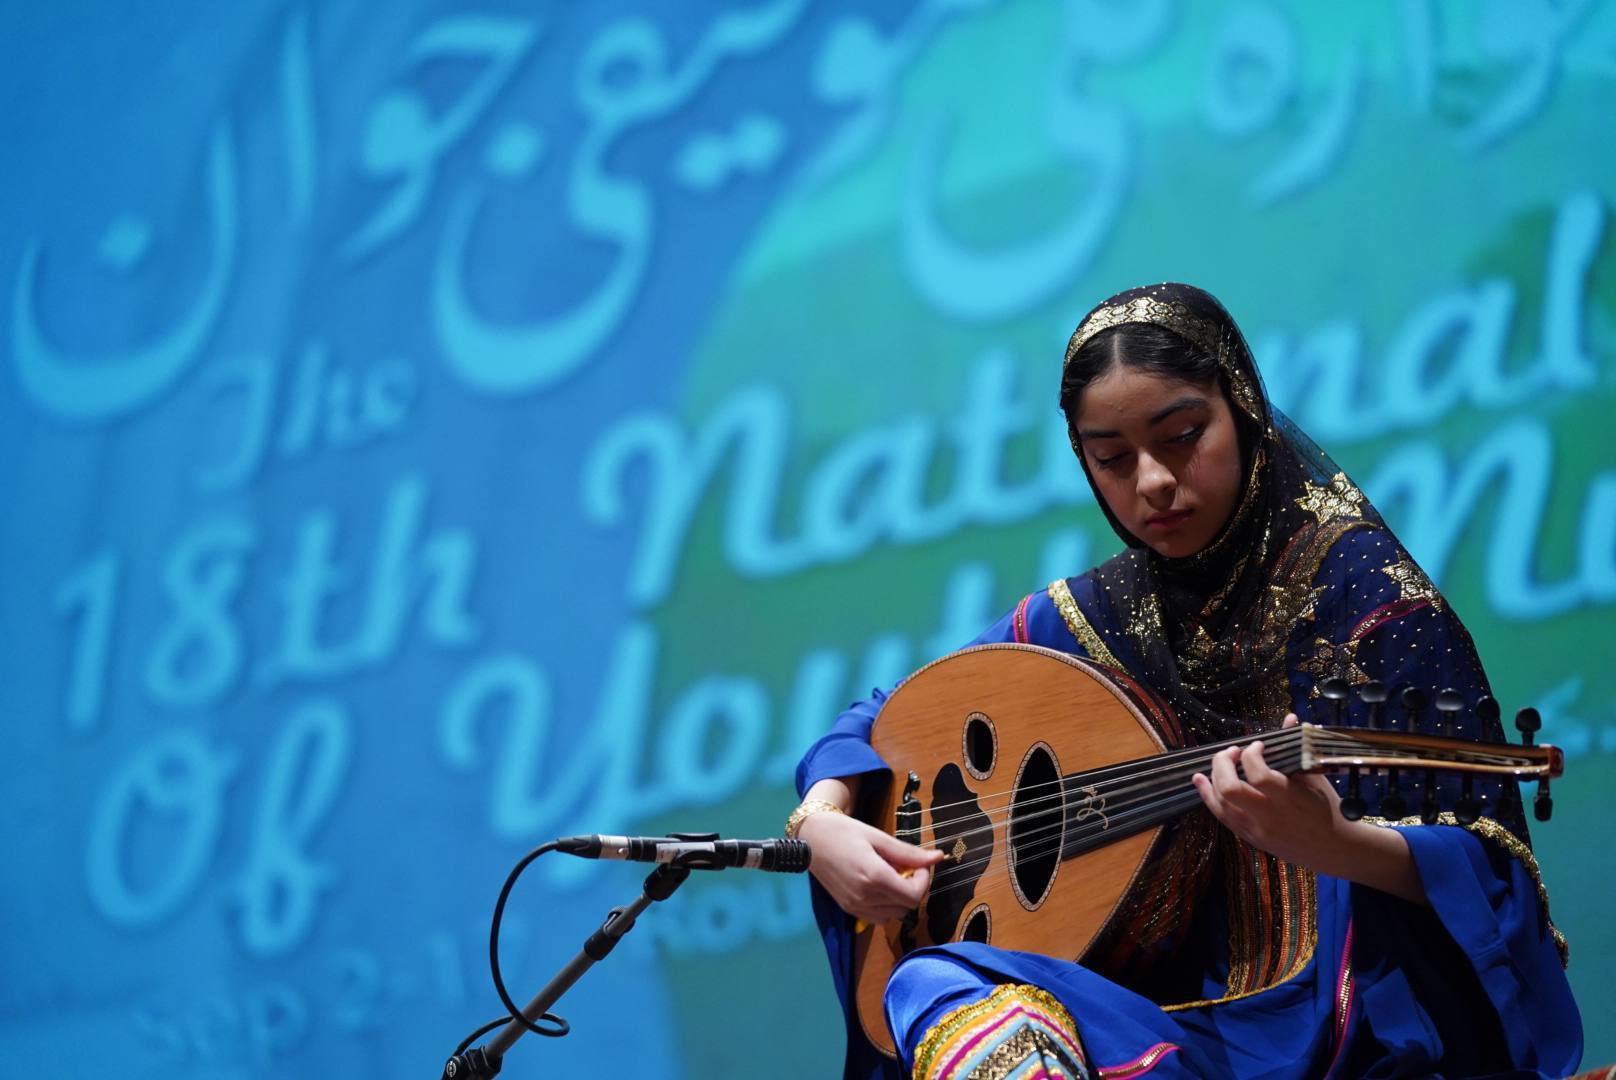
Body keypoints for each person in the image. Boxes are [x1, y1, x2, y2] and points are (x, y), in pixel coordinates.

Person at [789, 284, 1583, 1079]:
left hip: (1349, 1030)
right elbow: (880, 719)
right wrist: (821, 821)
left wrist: (1338, 845)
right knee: (930, 980)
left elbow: (1493, 871)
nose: (1154, 483)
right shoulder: (1096, 617)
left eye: (1182, 436)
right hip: (1165, 1029)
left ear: (1242, 410)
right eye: (1112, 459)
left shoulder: (1364, 596)